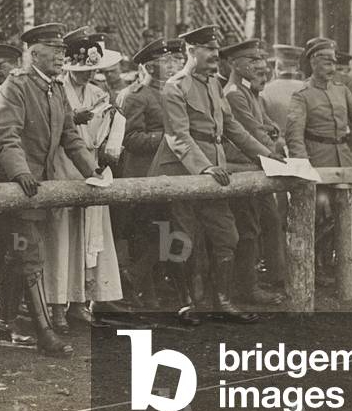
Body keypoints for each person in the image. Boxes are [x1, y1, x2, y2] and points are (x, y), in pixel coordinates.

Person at [149, 25, 275, 324]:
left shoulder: (215, 85)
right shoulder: (175, 86)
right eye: (209, 50)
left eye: (217, 51)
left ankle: (223, 300)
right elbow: (178, 136)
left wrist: (268, 157)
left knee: (226, 234)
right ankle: (186, 302)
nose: (215, 56)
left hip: (215, 174)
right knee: (182, 237)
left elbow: (233, 129)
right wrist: (204, 167)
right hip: (185, 172)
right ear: (191, 52)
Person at [0, 22, 100, 357]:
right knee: (29, 254)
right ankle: (44, 333)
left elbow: (70, 136)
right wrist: (21, 173)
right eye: (55, 52)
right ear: (34, 53)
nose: (61, 58)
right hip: (17, 184)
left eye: (62, 52)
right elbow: (6, 136)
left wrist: (93, 173)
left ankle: (4, 322)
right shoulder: (16, 86)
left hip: (39, 185)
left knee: (16, 254)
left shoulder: (55, 89)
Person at [43, 28, 123, 330]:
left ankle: (80, 301)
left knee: (86, 237)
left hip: (89, 164)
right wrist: (75, 117)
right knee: (61, 237)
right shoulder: (57, 89)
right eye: (83, 69)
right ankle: (56, 306)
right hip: (63, 163)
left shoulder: (99, 93)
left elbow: (103, 134)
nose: (88, 75)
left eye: (92, 70)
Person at [285, 37, 352, 283]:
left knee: (348, 212)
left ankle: (341, 267)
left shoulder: (342, 91)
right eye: (326, 62)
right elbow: (295, 134)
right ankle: (313, 267)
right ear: (313, 63)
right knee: (319, 215)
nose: (331, 68)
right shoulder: (302, 95)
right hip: (318, 160)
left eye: (334, 63)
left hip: (344, 159)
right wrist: (302, 165)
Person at [121, 37, 185, 310]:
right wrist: (167, 138)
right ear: (148, 66)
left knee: (166, 229)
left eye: (173, 60)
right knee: (146, 233)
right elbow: (131, 139)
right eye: (165, 61)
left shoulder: (173, 92)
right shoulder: (135, 96)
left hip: (167, 173)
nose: (172, 65)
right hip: (142, 173)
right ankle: (140, 286)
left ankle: (153, 284)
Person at [222, 38, 286, 306]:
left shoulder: (250, 92)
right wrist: (273, 152)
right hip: (243, 166)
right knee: (248, 226)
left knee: (266, 221)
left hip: (257, 163)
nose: (259, 66)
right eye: (251, 61)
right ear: (235, 65)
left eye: (260, 60)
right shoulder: (235, 93)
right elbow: (253, 131)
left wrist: (273, 140)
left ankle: (273, 276)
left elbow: (269, 126)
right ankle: (247, 286)